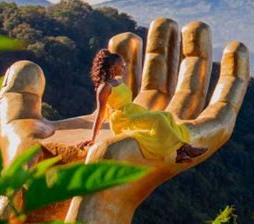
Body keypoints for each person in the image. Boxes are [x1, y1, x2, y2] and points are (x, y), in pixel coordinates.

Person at [78, 49, 207, 163]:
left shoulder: (118, 80)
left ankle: (180, 153)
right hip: (122, 119)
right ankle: (185, 148)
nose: (124, 67)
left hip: (132, 110)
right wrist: (92, 138)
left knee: (166, 115)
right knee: (158, 119)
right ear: (112, 68)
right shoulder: (104, 88)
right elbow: (100, 114)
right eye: (121, 65)